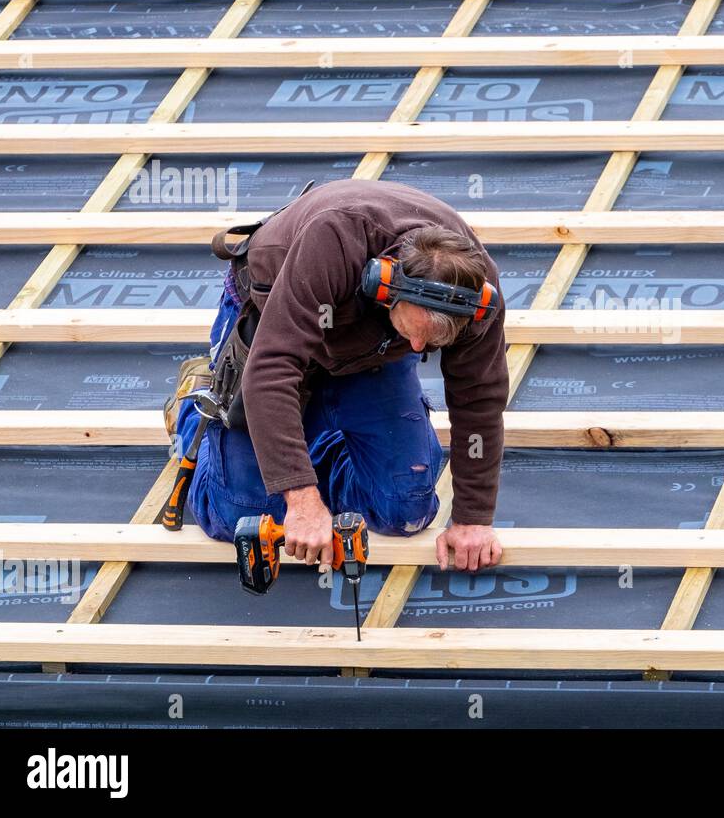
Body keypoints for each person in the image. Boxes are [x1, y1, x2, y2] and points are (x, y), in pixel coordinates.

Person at [169, 179, 507, 574]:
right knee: (245, 515)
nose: (419, 348)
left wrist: (473, 518)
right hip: (277, 321)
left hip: (373, 348)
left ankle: (314, 443)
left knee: (404, 510)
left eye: (430, 342)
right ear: (386, 287)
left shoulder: (476, 295)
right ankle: (197, 409)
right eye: (415, 331)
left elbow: (479, 401)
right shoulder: (334, 239)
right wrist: (301, 499)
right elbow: (273, 368)